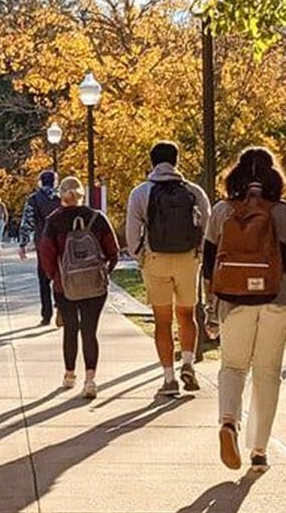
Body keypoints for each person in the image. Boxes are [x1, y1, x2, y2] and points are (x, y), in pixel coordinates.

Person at [200, 146, 286, 470]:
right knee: (267, 374)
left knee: (232, 367)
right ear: (275, 177)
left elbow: (207, 266)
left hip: (233, 303)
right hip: (278, 302)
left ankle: (228, 422)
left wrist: (210, 311)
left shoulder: (221, 212)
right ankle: (259, 451)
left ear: (237, 177)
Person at [122, 140, 213, 397]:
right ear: (176, 160)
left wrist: (140, 257)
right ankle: (187, 363)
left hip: (156, 260)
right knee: (187, 315)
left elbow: (132, 231)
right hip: (187, 260)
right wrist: (199, 255)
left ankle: (169, 378)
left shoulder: (141, 193)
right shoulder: (194, 191)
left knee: (163, 321)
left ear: (152, 162)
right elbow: (206, 226)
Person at [38, 177, 120, 399]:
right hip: (95, 285)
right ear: (82, 195)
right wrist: (104, 273)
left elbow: (45, 254)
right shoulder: (97, 218)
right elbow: (113, 251)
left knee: (70, 329)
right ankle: (90, 379)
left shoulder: (54, 221)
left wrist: (55, 277)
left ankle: (69, 374)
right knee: (90, 331)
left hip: (66, 285)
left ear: (61, 196)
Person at [20, 171, 61, 326]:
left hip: (43, 243)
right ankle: (61, 306)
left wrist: (23, 244)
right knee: (59, 277)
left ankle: (46, 314)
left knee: (44, 281)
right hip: (61, 243)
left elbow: (27, 222)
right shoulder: (61, 198)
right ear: (55, 182)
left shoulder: (33, 199)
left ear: (40, 182)